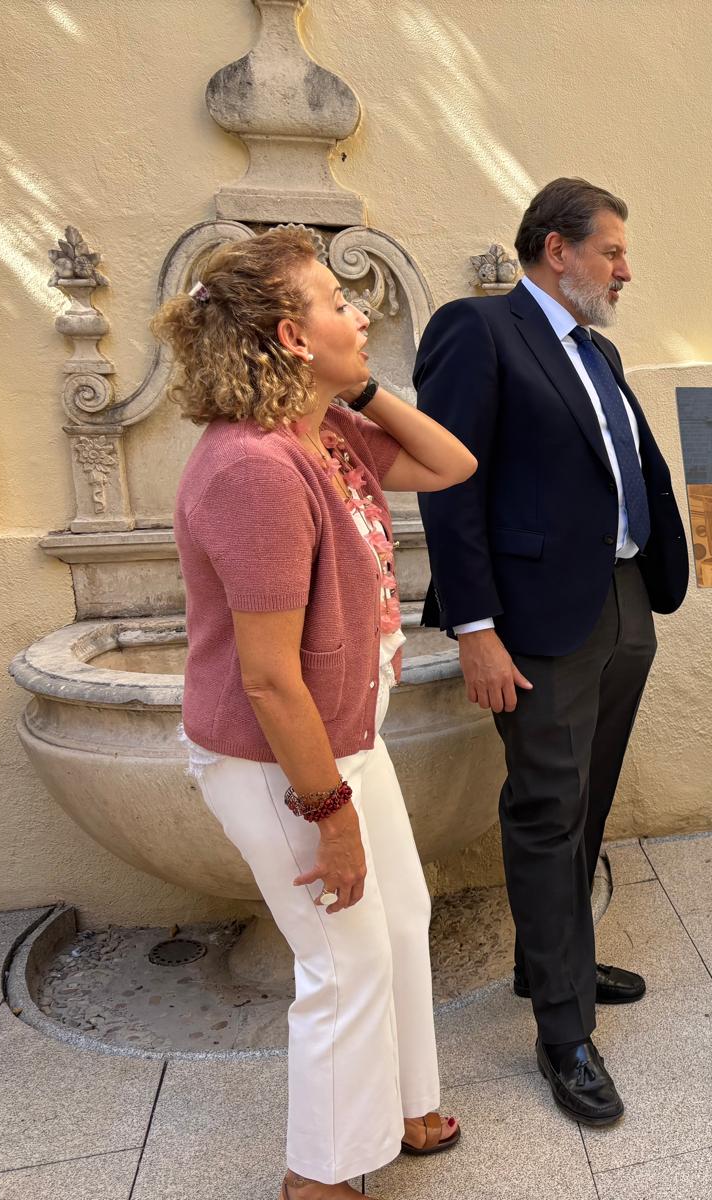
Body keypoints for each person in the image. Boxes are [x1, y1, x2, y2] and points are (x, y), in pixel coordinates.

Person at [159, 227, 477, 1200]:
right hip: (280, 760)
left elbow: (451, 463)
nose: (362, 313)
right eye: (339, 305)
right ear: (295, 338)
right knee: (342, 958)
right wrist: (328, 815)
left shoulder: (322, 436)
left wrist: (363, 386)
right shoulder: (255, 469)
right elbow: (267, 678)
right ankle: (321, 1177)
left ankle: (408, 1104)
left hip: (341, 737)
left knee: (403, 917)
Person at [414, 177, 689, 1126]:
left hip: (618, 600)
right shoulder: (478, 331)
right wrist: (478, 627)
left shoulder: (597, 350)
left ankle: (550, 959)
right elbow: (449, 490)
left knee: (588, 798)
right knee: (546, 808)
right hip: (533, 622)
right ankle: (562, 1031)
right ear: (555, 248)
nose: (625, 268)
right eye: (611, 250)